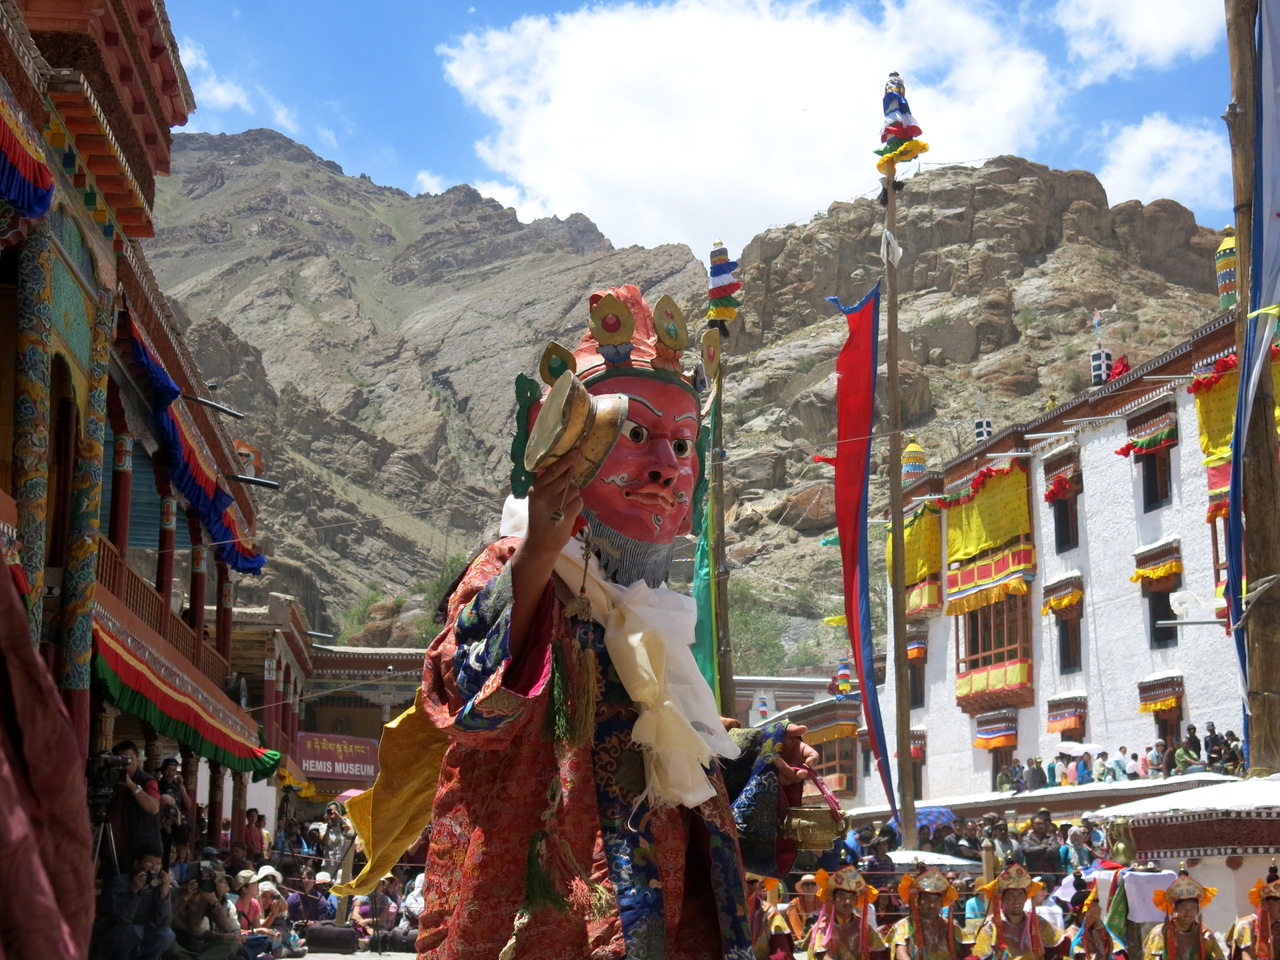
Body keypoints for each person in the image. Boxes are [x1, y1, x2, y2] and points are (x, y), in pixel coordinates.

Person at [357, 286, 818, 958]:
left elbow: (661, 756)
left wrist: (755, 759)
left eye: (682, 446)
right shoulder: (520, 568)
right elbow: (467, 702)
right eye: (635, 435)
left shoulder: (654, 610)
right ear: (559, 452)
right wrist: (542, 551)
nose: (665, 468)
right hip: (550, 915)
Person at [98, 843, 176, 960]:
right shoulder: (120, 882)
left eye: (158, 865)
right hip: (121, 931)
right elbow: (122, 919)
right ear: (137, 864)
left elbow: (163, 921)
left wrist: (164, 891)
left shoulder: (158, 884)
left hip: (147, 930)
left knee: (167, 935)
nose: (153, 869)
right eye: (149, 863)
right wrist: (134, 892)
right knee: (132, 932)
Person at [972, 864, 1064, 960]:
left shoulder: (1038, 921)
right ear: (1002, 899)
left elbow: (1060, 944)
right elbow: (978, 955)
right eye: (1011, 895)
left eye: (1020, 894)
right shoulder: (991, 926)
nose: (1016, 900)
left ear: (1025, 898)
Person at [1142, 867, 1224, 960]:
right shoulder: (1161, 933)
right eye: (1184, 908)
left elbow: (1218, 957)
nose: (1188, 913)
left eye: (1193, 908)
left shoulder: (1204, 934)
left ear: (1198, 910)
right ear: (1175, 908)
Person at [804, 866, 883, 960]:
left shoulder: (864, 926)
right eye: (842, 896)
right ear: (832, 899)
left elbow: (879, 952)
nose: (848, 902)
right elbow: (823, 956)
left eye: (852, 897)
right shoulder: (822, 927)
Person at [107, 740, 162, 866]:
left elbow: (154, 808)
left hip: (140, 850)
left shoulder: (147, 781)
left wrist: (131, 785)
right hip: (114, 845)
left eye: (129, 760)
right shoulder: (111, 779)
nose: (125, 765)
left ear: (138, 760)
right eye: (121, 761)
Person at [890, 866, 964, 960]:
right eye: (927, 900)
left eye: (936, 901)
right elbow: (901, 953)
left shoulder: (950, 926)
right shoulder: (905, 925)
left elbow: (969, 952)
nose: (932, 905)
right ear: (918, 901)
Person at [171, 862, 242, 960]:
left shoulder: (206, 898)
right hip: (178, 942)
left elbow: (225, 926)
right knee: (171, 948)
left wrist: (214, 902)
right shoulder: (175, 893)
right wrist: (185, 897)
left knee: (232, 943)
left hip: (197, 944)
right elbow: (166, 919)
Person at [1063, 876, 1125, 960]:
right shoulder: (1071, 937)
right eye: (1097, 906)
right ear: (1086, 910)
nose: (1100, 909)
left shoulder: (1100, 930)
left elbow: (1118, 954)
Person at [1229, 863, 1280, 960]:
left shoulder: (1278, 928)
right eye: (1278, 902)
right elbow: (1246, 956)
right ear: (1265, 905)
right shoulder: (1246, 925)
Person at [745, 874, 794, 960]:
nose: (742, 888)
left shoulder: (770, 913)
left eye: (749, 883)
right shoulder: (719, 912)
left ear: (760, 885)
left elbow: (781, 954)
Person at [786, 874, 824, 945]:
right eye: (806, 884)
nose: (810, 886)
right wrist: (804, 939)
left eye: (813, 884)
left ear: (816, 887)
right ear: (802, 887)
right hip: (800, 941)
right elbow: (794, 924)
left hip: (818, 938)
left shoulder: (822, 903)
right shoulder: (795, 903)